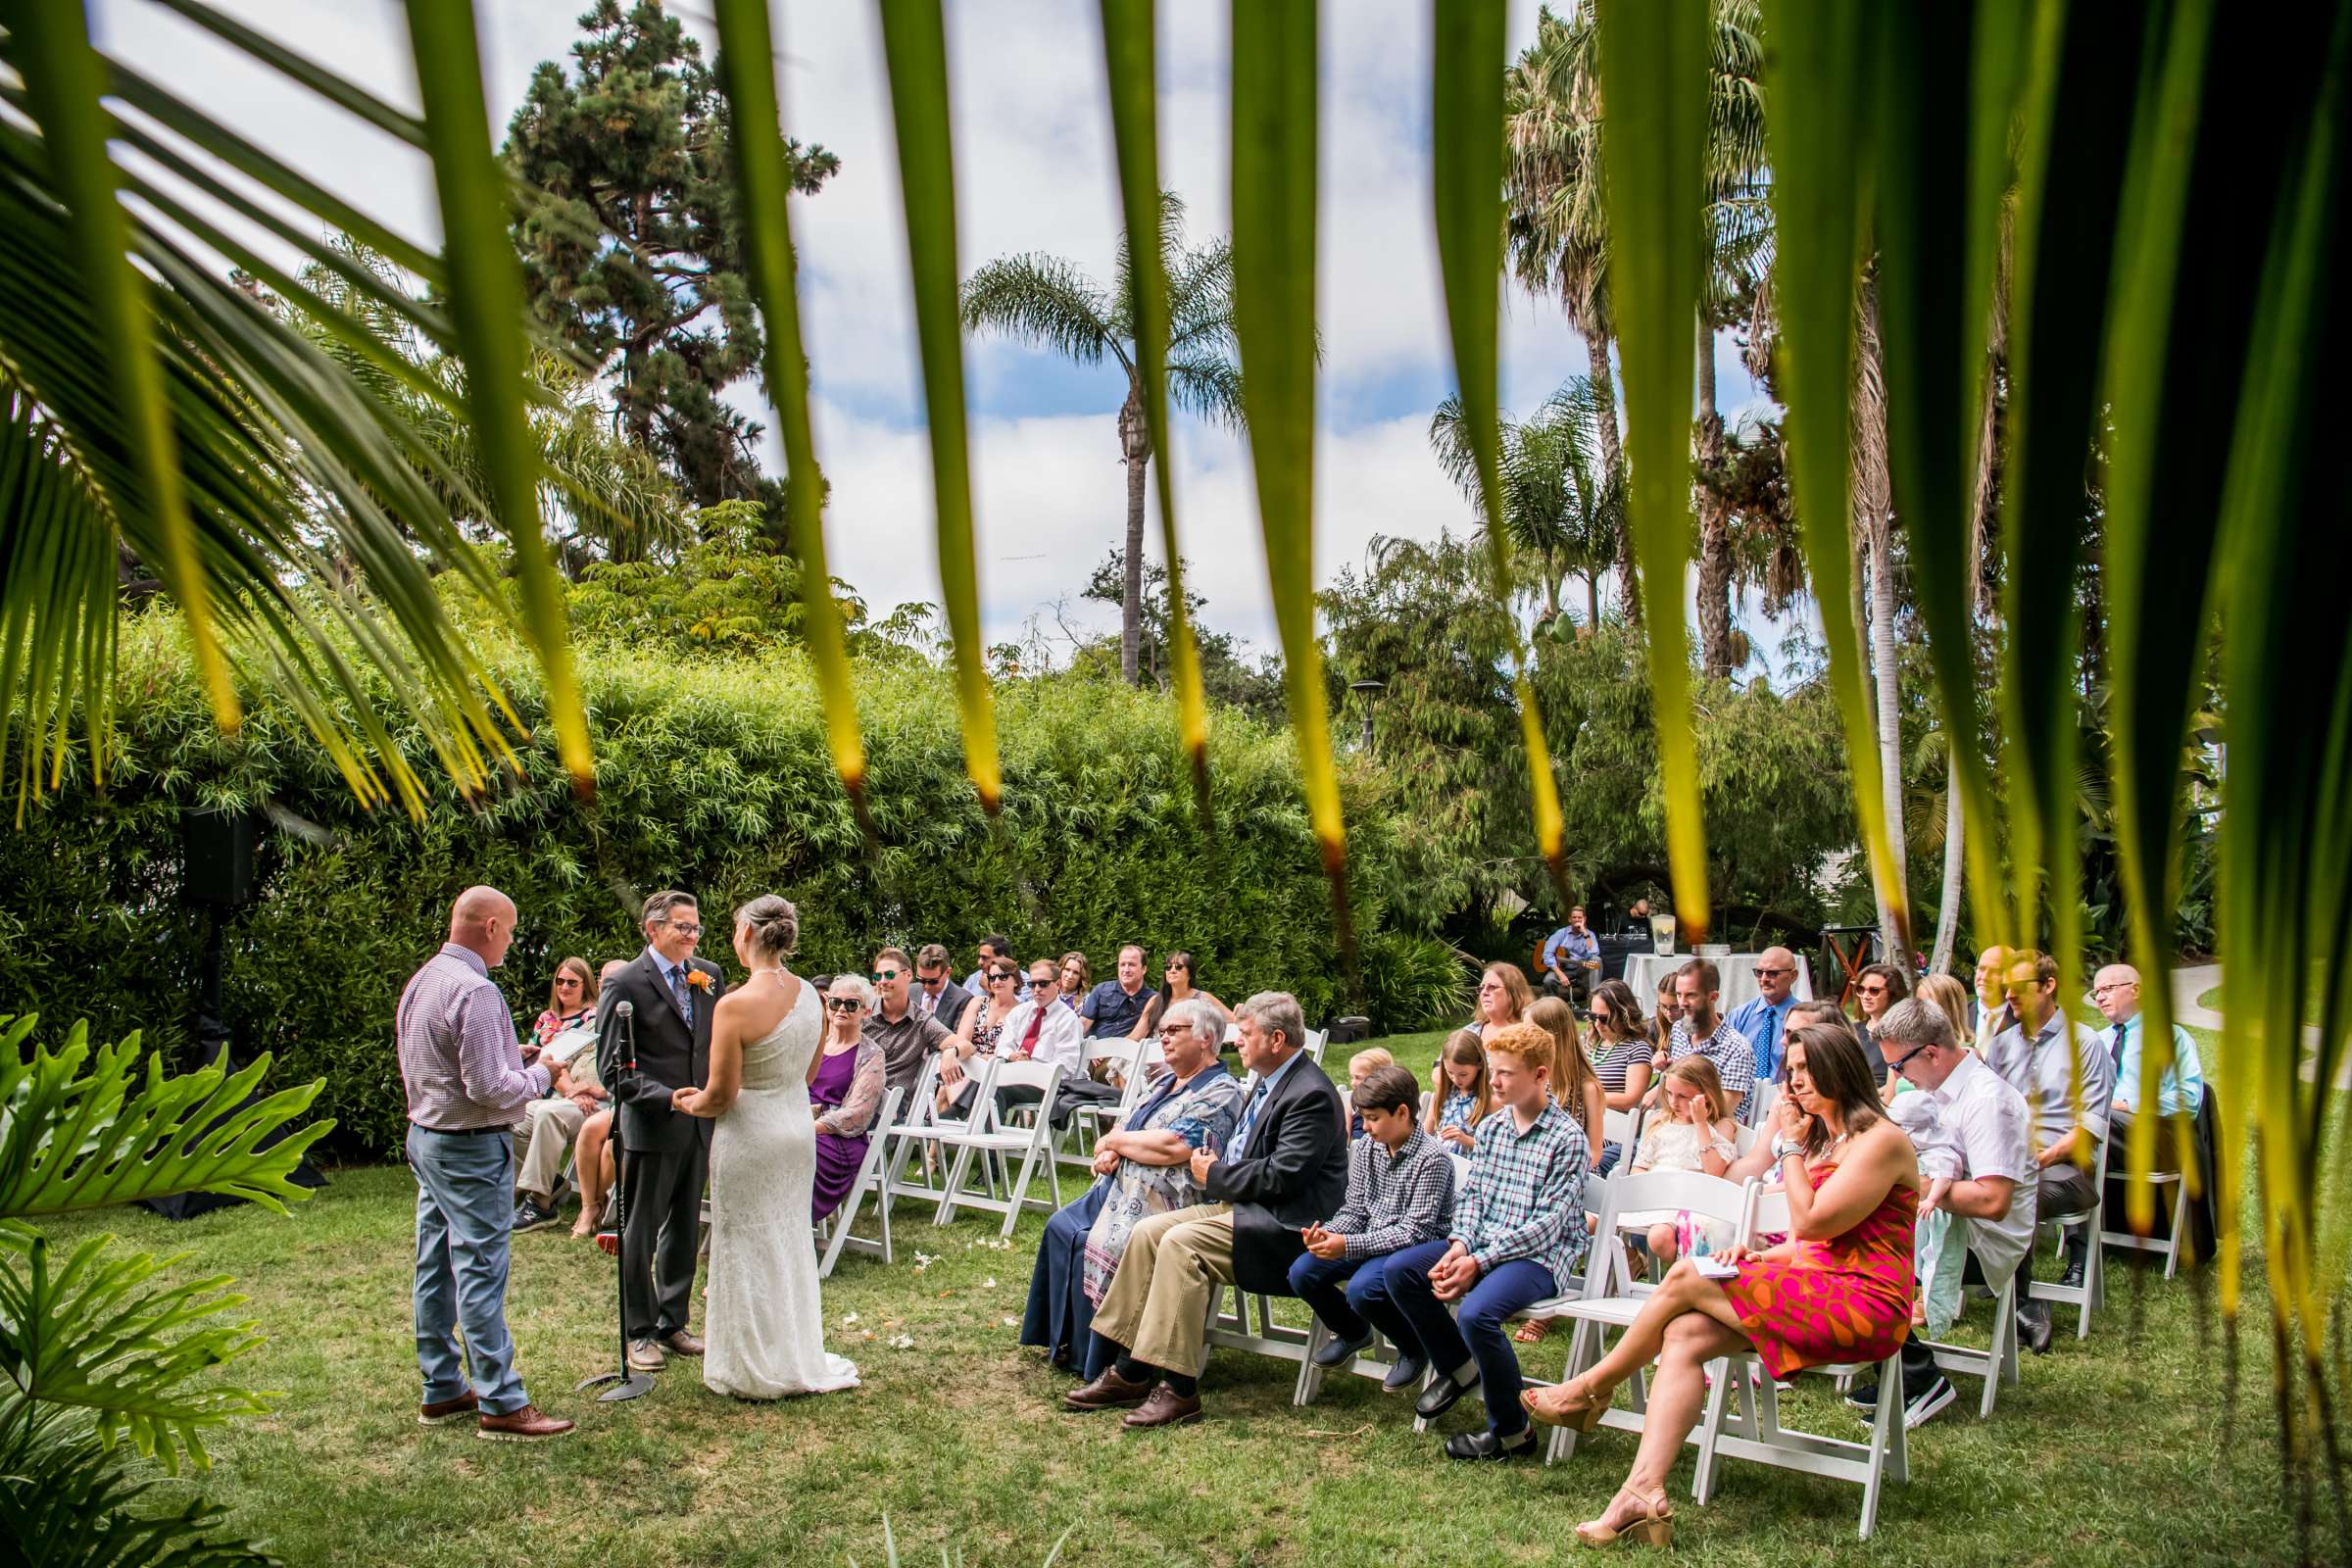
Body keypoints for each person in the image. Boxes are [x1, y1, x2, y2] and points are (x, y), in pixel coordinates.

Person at [1524, 1022, 1919, 1546]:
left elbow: (1815, 1224)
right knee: (1685, 1333)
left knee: (1688, 1271)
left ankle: (1589, 1388)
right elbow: (1814, 1246)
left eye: (1806, 1069)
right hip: (1815, 1288)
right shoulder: (1831, 1142)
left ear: (1840, 1070)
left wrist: (1793, 1149)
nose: (1795, 1081)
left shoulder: (1881, 1141)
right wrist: (1757, 1254)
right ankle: (1641, 1494)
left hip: (1865, 1306)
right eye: (1792, 1068)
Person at [1063, 993, 1348, 1428]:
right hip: (1246, 1210)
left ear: (1276, 1039)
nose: (1237, 1043)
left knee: (1179, 1243)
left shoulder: (1310, 1093)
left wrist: (1213, 1175)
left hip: (1289, 1230)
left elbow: (1282, 1179)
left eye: (1246, 1034)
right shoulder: (1271, 1082)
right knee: (1148, 1232)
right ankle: (1129, 1369)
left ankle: (1180, 1391)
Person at [1352, 1022, 1589, 1460]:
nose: (1493, 1081)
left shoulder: (1567, 1137)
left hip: (1536, 1258)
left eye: (1505, 1073)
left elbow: (1549, 1224)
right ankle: (1458, 1367)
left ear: (1540, 1075)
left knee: (1477, 1314)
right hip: (1481, 1245)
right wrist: (1460, 1246)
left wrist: (1478, 1261)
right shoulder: (1495, 1128)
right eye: (1492, 1071)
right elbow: (1474, 1197)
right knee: (1401, 1270)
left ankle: (1512, 1433)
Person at [396, 885, 572, 1440]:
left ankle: (442, 1387)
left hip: (427, 1136)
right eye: (512, 930)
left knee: (434, 1264)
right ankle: (500, 1399)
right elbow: (492, 1089)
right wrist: (543, 1069)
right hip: (470, 1147)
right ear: (491, 927)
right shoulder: (477, 991)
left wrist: (510, 1056)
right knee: (479, 1269)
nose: (513, 941)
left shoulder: (424, 979)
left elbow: (439, 1060)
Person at [668, 895, 858, 1398]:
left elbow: (721, 1095)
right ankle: (793, 1351)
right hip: (795, 1133)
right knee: (787, 1240)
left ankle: (750, 1363)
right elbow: (810, 1074)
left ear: (747, 935)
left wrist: (689, 1103)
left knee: (745, 1243)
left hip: (750, 1136)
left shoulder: (733, 1005)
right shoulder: (811, 999)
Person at [1021, 999, 1244, 1379]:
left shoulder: (1223, 1091)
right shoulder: (1163, 1082)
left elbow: (1177, 1146)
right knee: (1062, 1226)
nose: (1166, 1038)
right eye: (1162, 1032)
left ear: (1206, 1038)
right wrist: (1111, 1147)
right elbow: (1125, 1126)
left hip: (1165, 1197)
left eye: (1175, 1031)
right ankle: (1069, 1343)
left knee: (1100, 1240)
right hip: (1122, 1185)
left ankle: (1107, 1358)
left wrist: (1115, 1146)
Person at [1846, 996, 2035, 1429]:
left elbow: (1993, 1201)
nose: (1896, 1076)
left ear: (1931, 1052)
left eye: (1899, 1066)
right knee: (1843, 1229)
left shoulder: (1988, 1101)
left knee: (1856, 1247)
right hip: (1939, 1222)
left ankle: (1917, 1376)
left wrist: (1905, 1184)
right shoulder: (1940, 1090)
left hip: (1984, 1241)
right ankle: (1894, 1364)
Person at [595, 889, 727, 1375]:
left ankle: (673, 1322)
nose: (692, 936)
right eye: (682, 927)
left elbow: (711, 1042)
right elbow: (614, 1071)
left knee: (685, 1228)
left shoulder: (708, 975)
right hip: (652, 1124)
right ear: (652, 930)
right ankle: (639, 1332)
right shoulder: (625, 983)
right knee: (640, 1231)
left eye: (696, 928)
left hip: (699, 1123)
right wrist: (666, 1096)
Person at [1984, 949, 2116, 1352]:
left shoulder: (2086, 1044)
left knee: (2013, 1197)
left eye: (2019, 987)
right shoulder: (2001, 1045)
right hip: (2008, 1159)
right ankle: (1963, 1285)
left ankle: (2021, 1303)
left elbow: (2089, 1128)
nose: (2009, 996)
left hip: (2066, 1167)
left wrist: (2037, 1160)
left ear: (2048, 986)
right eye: (2006, 989)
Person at [1291, 1064, 1457, 1380]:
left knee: (1363, 1289)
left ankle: (1412, 1347)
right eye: (1363, 1118)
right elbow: (1356, 1209)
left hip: (1413, 1251)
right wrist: (1330, 1232)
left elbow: (1414, 1233)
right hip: (1371, 1240)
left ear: (1403, 1112)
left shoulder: (1432, 1158)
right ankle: (1354, 1332)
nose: (1364, 1127)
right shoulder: (1367, 1147)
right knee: (1302, 1272)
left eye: (1373, 1118)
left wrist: (1348, 1245)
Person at [2091, 962, 2204, 1166]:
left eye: (2107, 989)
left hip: (2155, 1133)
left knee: (2095, 1121)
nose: (2099, 998)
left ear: (2136, 990)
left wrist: (2127, 1106)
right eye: (2096, 993)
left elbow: (2188, 1099)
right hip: (2105, 1129)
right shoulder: (2097, 1040)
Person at [967, 958, 1098, 1125]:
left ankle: (980, 1140)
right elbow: (1002, 1047)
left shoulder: (1068, 1020)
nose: (1036, 989)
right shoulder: (1020, 1012)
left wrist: (1031, 1069)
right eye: (1032, 984)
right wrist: (1013, 1056)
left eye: (1043, 984)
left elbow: (1066, 1068)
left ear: (1057, 984)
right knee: (985, 1077)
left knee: (995, 1086)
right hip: (1015, 1075)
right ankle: (966, 1123)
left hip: (1047, 1084)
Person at [809, 973, 887, 1221]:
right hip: (800, 1123)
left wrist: (810, 1127)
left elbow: (858, 1113)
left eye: (851, 1004)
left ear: (866, 1012)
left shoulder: (871, 1055)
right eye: (835, 1002)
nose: (841, 1009)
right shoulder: (812, 1044)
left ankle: (789, 1227)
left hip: (838, 1138)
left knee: (792, 1149)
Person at [568, 959, 633, 1239]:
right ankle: (589, 1206)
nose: (608, 987)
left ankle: (593, 1207)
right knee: (589, 1131)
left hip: (631, 1098)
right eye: (604, 981)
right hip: (616, 1101)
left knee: (610, 1147)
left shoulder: (631, 1014)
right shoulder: (597, 1019)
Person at [1658, 959, 1757, 1122]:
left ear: (1713, 997)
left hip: (1714, 1134)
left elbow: (1723, 1110)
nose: (1682, 1003)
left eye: (1691, 995)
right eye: (1679, 994)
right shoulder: (1679, 1030)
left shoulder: (1737, 1048)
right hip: (1675, 1125)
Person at [869, 946, 958, 1103]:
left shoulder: (922, 1022)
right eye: (878, 976)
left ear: (908, 975)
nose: (882, 981)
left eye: (889, 975)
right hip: (853, 1096)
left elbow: (965, 1045)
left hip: (889, 1106)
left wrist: (952, 1051)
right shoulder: (864, 1013)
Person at [939, 958, 1025, 1115]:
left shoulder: (1022, 1012)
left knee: (945, 1092)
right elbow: (962, 1039)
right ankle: (958, 1123)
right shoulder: (978, 1002)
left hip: (997, 1069)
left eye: (1003, 977)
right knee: (946, 1085)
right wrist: (973, 1058)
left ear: (1016, 981)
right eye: (992, 978)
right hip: (967, 1062)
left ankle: (959, 1119)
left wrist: (986, 1059)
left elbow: (1014, 1052)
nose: (996, 981)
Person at [1725, 946, 1801, 1086]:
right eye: (1759, 972)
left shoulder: (1802, 1019)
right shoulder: (1738, 1016)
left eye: (1772, 973)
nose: (1764, 979)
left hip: (1786, 1097)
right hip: (1743, 1097)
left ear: (1793, 976)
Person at [1587, 980, 1654, 1114]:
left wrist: (1585, 1096)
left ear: (1624, 1015)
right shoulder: (1589, 1043)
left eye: (1604, 1019)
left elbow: (1630, 1100)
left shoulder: (1637, 1049)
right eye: (1593, 1016)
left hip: (1614, 1128)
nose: (1597, 1024)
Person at [1422, 1028, 1495, 1151]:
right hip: (1439, 1162)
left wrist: (1464, 1139)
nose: (1455, 1079)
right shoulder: (1442, 1094)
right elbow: (1426, 1133)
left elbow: (1492, 1149)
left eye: (1463, 1074)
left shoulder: (1490, 1101)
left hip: (1469, 1166)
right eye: (1450, 1072)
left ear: (1479, 1064)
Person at [1077, 944, 1159, 1041]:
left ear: (1144, 969)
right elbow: (1084, 1024)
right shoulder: (1101, 990)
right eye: (1122, 964)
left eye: (1131, 965)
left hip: (1128, 1053)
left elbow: (1137, 1036)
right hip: (1092, 1051)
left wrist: (1107, 1052)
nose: (1126, 969)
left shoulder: (1153, 999)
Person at [1137, 950, 1223, 1037]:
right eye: (1168, 967)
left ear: (1190, 973)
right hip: (1157, 1049)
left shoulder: (1203, 998)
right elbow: (1136, 1035)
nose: (1172, 970)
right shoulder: (1155, 1001)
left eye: (1178, 967)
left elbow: (1233, 1021)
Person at [1540, 906, 1602, 1004]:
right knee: (1548, 980)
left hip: (1582, 968)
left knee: (1596, 960)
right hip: (1563, 969)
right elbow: (1547, 954)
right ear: (1569, 919)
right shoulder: (1561, 933)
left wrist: (1585, 932)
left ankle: (1594, 1002)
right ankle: (1554, 1007)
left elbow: (1594, 953)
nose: (1577, 920)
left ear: (1584, 919)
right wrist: (1560, 974)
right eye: (1574, 917)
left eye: (1579, 918)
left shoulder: (1590, 935)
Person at [531, 957, 598, 1047]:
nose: (565, 987)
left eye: (572, 982)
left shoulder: (594, 1017)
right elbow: (530, 1050)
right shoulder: (545, 1017)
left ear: (585, 986)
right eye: (560, 981)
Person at [912, 943, 975, 1032]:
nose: (926, 986)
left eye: (932, 981)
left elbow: (956, 1040)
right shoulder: (909, 991)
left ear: (948, 972)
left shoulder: (964, 1000)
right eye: (921, 980)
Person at [1471, 961, 1533, 1041]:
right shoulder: (1471, 1032)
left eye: (1492, 987)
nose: (1484, 992)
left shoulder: (1529, 1035)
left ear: (1513, 992)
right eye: (1481, 988)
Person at [1345, 1047, 1396, 1140]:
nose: (1352, 1083)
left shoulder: (1390, 1107)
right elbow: (1346, 1137)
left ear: (1379, 1078)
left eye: (1358, 1078)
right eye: (1352, 1077)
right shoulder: (1352, 1106)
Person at [1855, 961, 1911, 1042]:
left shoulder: (1907, 1035)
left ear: (1893, 993)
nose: (1865, 996)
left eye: (1874, 990)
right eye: (1861, 989)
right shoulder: (1852, 1031)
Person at [1972, 945, 2012, 1054]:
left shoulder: (2024, 1021)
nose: (1984, 977)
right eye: (1981, 969)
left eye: (1995, 972)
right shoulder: (1956, 1014)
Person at [963, 934, 1027, 1001]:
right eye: (979, 957)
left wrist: (990, 989)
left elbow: (1021, 1008)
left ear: (1002, 958)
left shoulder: (1025, 980)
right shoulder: (974, 978)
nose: (979, 962)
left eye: (985, 958)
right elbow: (962, 1004)